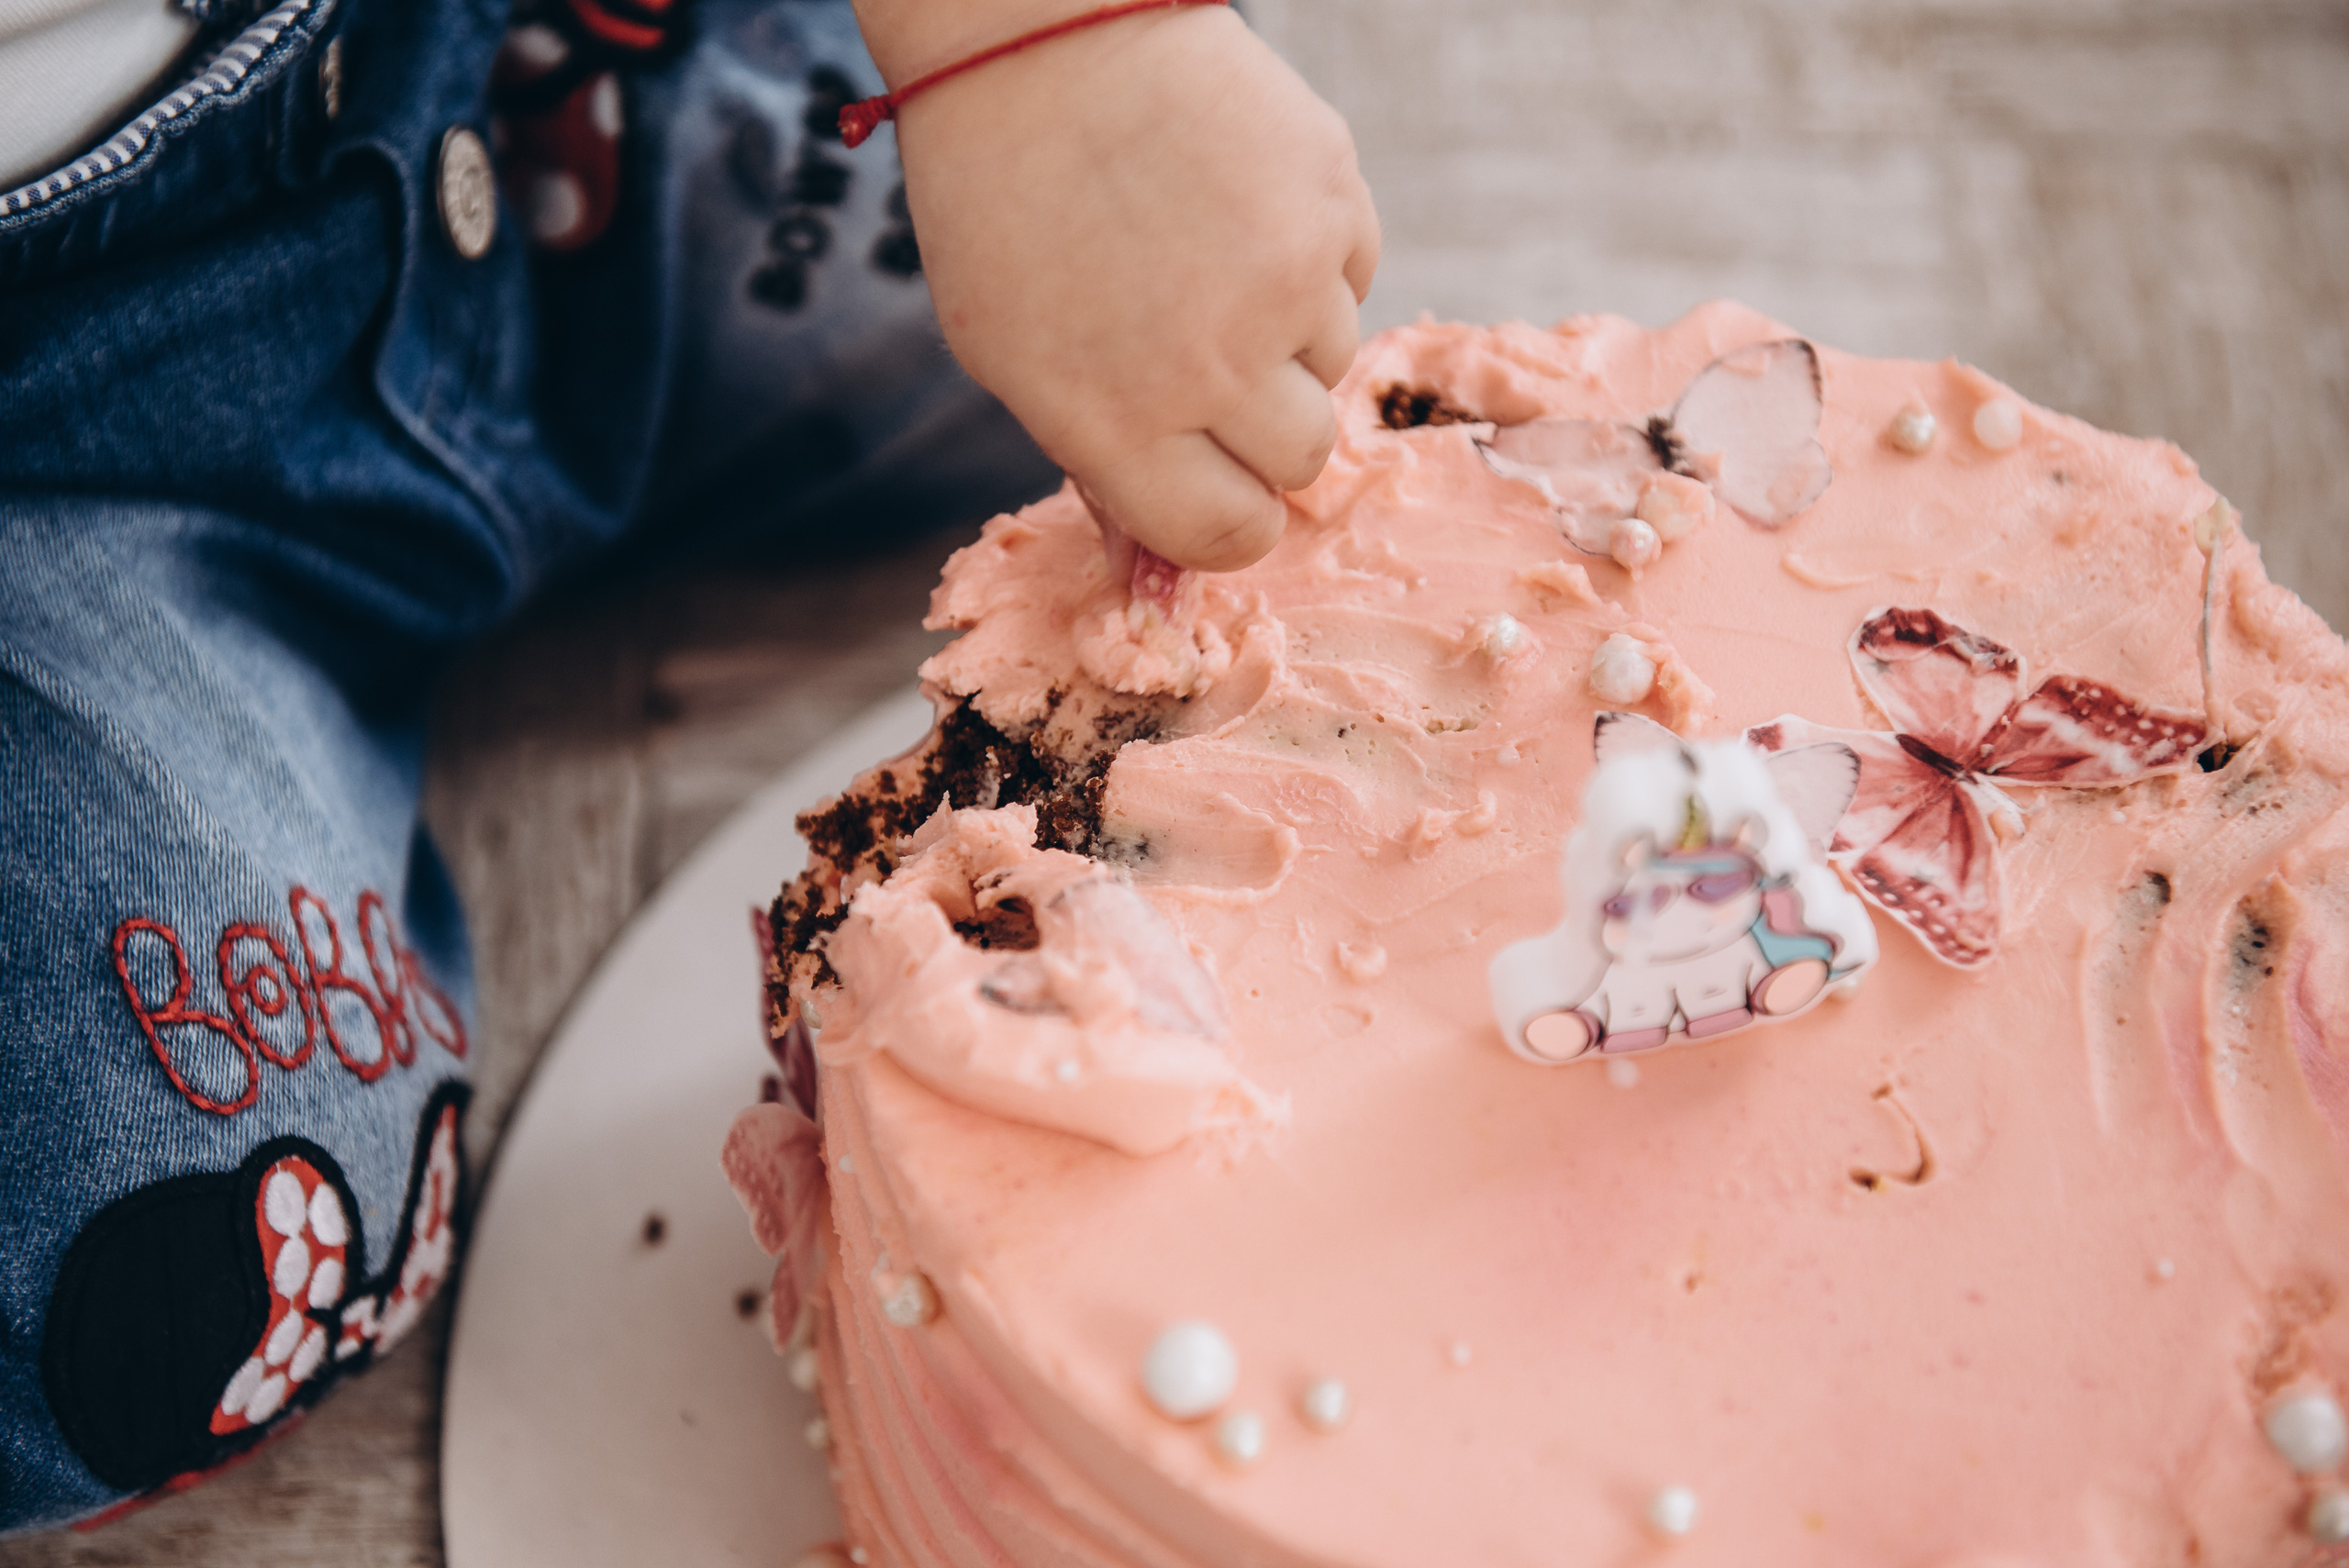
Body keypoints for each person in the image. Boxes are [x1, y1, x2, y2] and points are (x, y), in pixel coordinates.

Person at [0, 0, 1378, 1532]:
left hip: (512, 94)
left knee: (1171, 324)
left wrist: (1046, 50)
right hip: (45, 474)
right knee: (121, 1315)